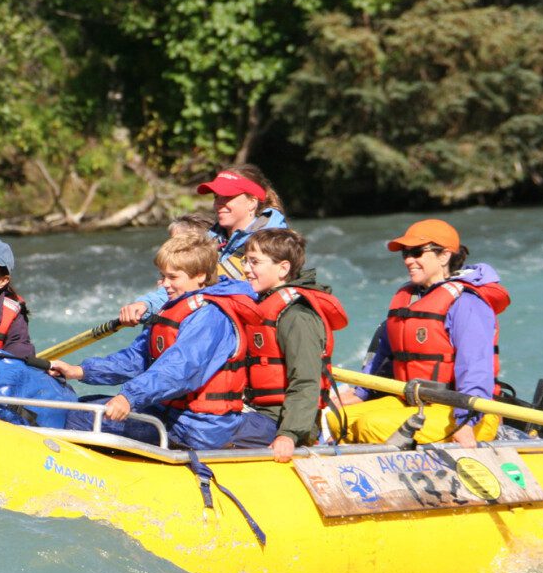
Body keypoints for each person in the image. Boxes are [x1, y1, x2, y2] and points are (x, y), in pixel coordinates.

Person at [50, 233, 276, 450]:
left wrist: (129, 397)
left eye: (173, 277)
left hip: (197, 426)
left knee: (81, 418)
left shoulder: (211, 316)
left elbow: (180, 370)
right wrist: (80, 371)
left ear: (200, 276)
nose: (164, 284)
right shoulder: (176, 307)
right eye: (163, 276)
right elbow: (137, 359)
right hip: (169, 413)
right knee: (86, 404)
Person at [331, 219, 510, 448]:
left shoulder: (466, 303)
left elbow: (475, 368)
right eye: (405, 253)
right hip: (415, 402)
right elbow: (383, 358)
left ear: (444, 256)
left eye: (417, 252)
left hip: (467, 411)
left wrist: (466, 422)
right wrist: (360, 394)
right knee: (336, 419)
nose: (408, 260)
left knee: (371, 425)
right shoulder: (409, 299)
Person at [118, 164, 288, 326]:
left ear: (252, 202)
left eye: (227, 197)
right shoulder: (211, 238)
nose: (218, 204)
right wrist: (146, 305)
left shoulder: (272, 242)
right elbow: (181, 281)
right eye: (216, 197)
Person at [240, 229, 349, 462]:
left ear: (283, 269)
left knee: (208, 435)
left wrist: (289, 434)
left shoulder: (297, 315)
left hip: (281, 422)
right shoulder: (261, 304)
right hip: (256, 412)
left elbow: (306, 380)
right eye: (245, 261)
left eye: (255, 262)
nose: (246, 269)